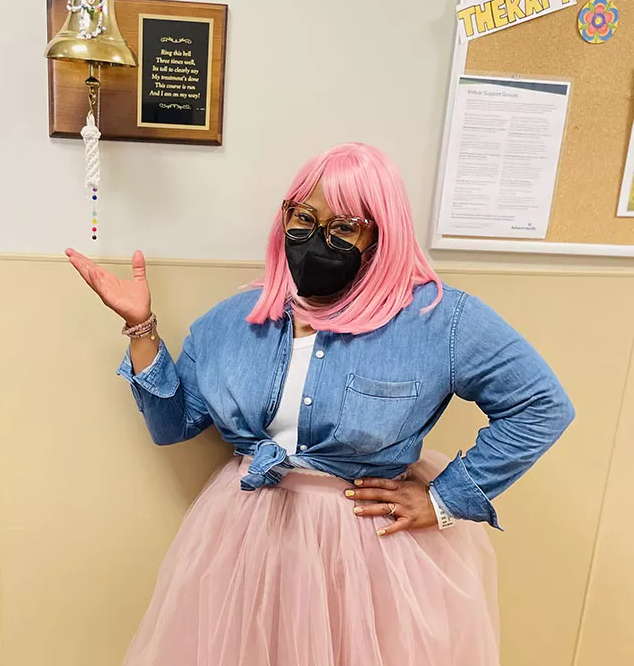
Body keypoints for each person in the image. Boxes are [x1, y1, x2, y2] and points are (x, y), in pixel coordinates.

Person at [66, 143, 574, 666]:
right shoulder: (235, 321)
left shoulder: (438, 319)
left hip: (367, 554)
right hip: (244, 542)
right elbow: (171, 425)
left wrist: (445, 500)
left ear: (379, 235)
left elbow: (541, 405)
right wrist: (140, 326)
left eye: (344, 228)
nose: (317, 240)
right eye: (304, 218)